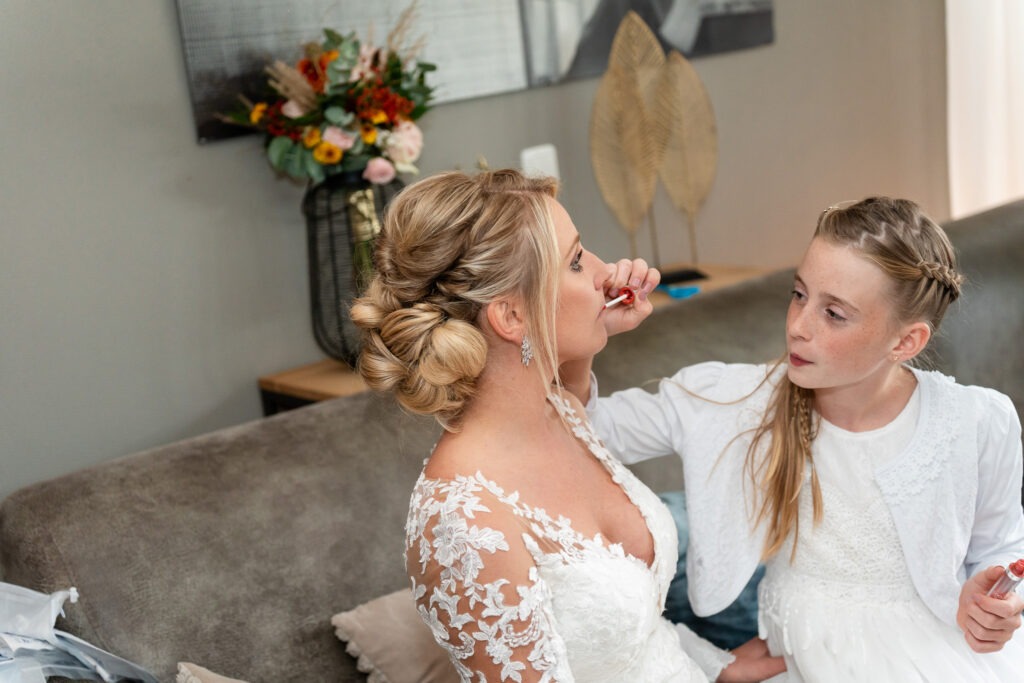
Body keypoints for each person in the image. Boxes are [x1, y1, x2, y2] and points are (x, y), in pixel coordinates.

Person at [350, 169, 786, 682]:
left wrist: (721, 671)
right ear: (511, 317)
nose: (606, 271)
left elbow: (640, 641)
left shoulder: (561, 414)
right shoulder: (462, 525)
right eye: (577, 261)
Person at [563, 196, 1024, 681]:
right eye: (800, 294)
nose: (798, 327)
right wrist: (590, 336)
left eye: (835, 314)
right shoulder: (732, 400)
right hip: (804, 663)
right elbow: (584, 432)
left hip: (942, 657)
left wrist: (995, 599)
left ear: (905, 342)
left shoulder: (978, 421)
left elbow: (1002, 545)